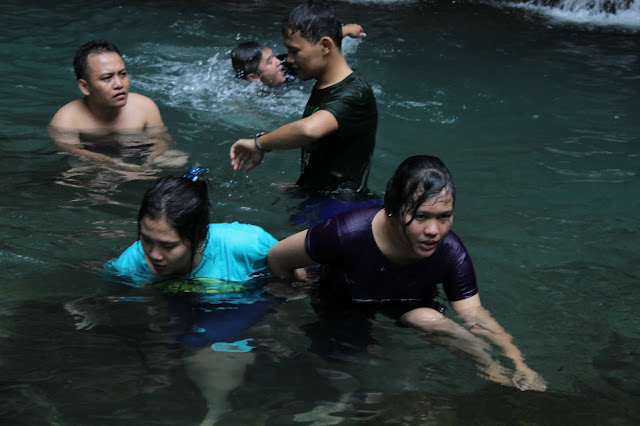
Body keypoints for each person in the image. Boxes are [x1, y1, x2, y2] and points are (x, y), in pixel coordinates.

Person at [267, 155, 548, 392]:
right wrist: (297, 290)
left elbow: (474, 315)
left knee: (432, 320)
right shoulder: (344, 233)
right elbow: (277, 257)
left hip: (407, 300)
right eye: (421, 216)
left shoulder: (450, 251)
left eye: (444, 216)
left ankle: (492, 371)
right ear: (393, 209)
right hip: (342, 297)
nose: (433, 231)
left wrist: (519, 364)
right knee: (349, 362)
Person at [100, 166, 278, 423]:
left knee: (212, 350)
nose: (153, 254)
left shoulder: (247, 246)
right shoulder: (131, 263)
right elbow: (107, 298)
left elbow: (297, 277)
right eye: (146, 239)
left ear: (200, 237)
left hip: (239, 304)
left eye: (168, 245)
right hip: (176, 306)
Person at [230, 0, 378, 194]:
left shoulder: (354, 93)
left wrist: (259, 143)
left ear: (325, 46)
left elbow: (308, 130)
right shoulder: (324, 83)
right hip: (315, 193)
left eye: (295, 51)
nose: (288, 60)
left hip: (339, 205)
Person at [48, 40, 186, 172]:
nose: (119, 84)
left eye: (122, 74)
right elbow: (72, 151)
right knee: (77, 172)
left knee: (180, 160)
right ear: (85, 86)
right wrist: (113, 164)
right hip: (97, 162)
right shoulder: (67, 119)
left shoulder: (145, 106)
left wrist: (150, 161)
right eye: (107, 78)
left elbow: (162, 140)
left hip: (139, 153)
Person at [231, 23, 366, 88]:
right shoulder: (248, 97)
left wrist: (347, 30)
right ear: (254, 77)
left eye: (273, 57)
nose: (278, 61)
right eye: (269, 62)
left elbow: (318, 44)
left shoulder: (291, 65)